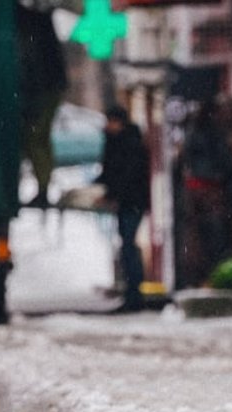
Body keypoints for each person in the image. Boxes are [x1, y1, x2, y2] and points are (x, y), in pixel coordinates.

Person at [176, 99, 232, 288]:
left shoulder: (191, 134)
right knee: (215, 233)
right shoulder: (214, 134)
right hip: (211, 188)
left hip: (194, 188)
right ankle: (215, 275)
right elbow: (225, 161)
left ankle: (199, 277)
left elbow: (184, 160)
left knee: (196, 235)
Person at [97, 104, 151, 311]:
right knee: (127, 245)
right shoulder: (120, 141)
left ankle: (134, 294)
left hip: (131, 202)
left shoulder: (129, 143)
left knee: (128, 245)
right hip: (128, 201)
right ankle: (132, 292)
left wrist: (112, 194)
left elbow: (126, 175)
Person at [16, 2, 68, 209]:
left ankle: (44, 189)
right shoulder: (38, 23)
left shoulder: (30, 25)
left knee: (36, 139)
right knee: (38, 140)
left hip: (43, 89)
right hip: (46, 87)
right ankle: (43, 188)